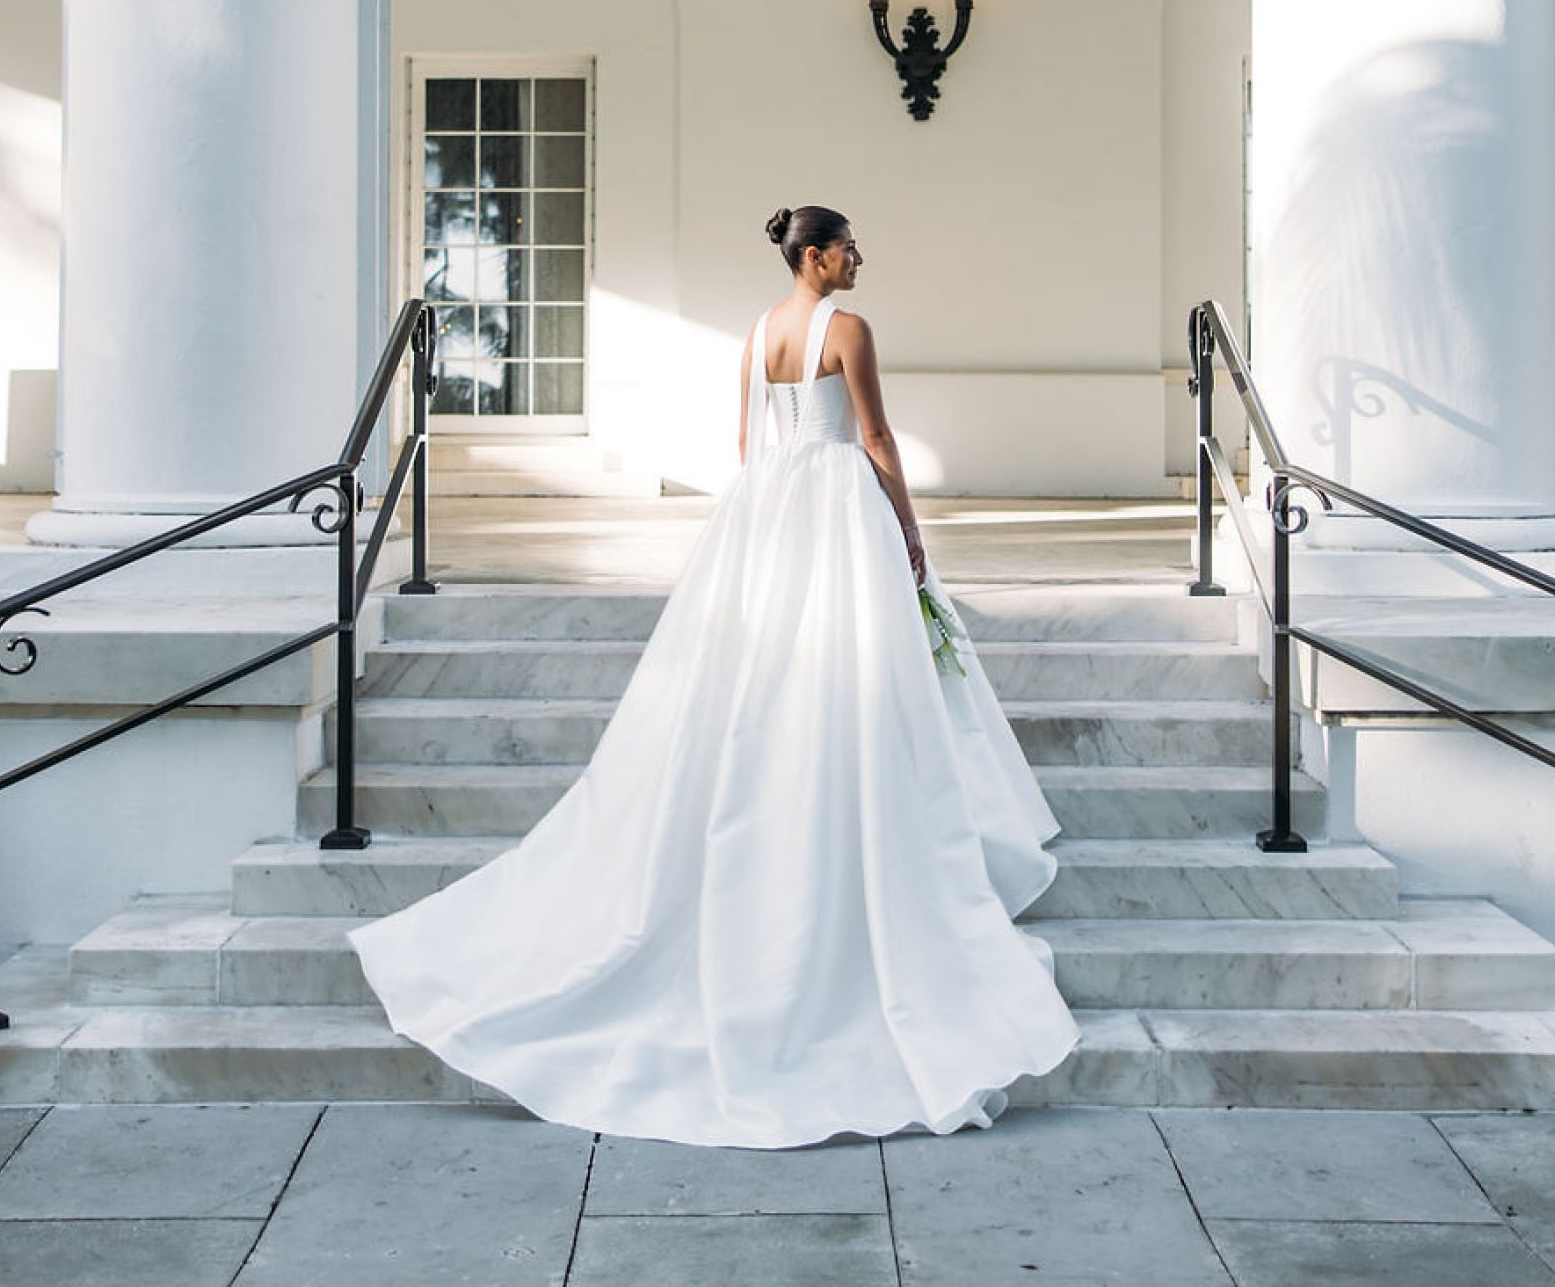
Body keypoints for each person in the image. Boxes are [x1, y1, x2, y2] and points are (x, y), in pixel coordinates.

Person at [349, 203, 1079, 1147]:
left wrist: (777, 504)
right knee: (854, 664)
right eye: (847, 247)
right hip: (838, 501)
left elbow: (747, 445)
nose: (859, 257)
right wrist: (908, 528)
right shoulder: (848, 329)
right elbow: (876, 439)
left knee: (765, 666)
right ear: (814, 258)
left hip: (769, 505)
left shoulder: (757, 331)